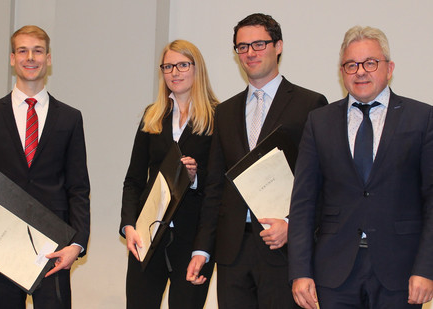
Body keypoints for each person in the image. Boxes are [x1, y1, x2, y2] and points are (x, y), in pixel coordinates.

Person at [186, 13, 328, 308]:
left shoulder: (310, 105)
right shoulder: (224, 112)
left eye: (259, 44)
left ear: (278, 46)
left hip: (283, 248)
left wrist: (292, 225)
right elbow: (215, 187)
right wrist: (202, 249)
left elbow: (321, 183)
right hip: (232, 251)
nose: (250, 53)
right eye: (242, 47)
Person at [289, 25, 433, 309]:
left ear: (389, 68)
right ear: (342, 72)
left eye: (370, 63)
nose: (360, 71)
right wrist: (300, 272)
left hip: (400, 272)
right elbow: (303, 203)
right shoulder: (319, 122)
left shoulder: (422, 118)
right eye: (351, 65)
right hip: (333, 272)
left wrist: (426, 268)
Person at [0, 25, 90, 309]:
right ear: (12, 58)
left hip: (54, 247)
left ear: (48, 58)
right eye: (22, 50)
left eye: (37, 51)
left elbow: (78, 187)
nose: (30, 57)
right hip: (0, 245)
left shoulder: (70, 118)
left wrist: (77, 245)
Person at [120, 39, 218, 308]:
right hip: (147, 235)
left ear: (197, 69)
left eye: (182, 65)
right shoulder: (152, 116)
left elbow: (219, 186)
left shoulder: (217, 117)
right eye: (168, 66)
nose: (174, 72)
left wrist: (195, 177)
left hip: (192, 240)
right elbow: (134, 180)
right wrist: (129, 226)